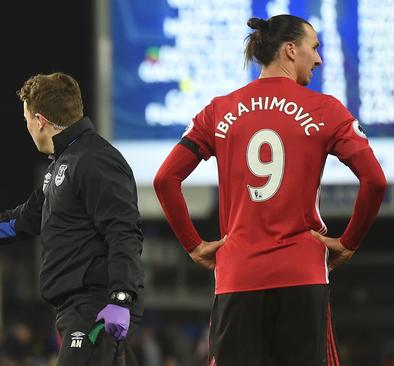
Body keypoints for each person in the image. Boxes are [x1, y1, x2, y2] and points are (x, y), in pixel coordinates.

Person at [153, 15, 387, 366]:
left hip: (237, 277)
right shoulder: (326, 110)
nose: (319, 58)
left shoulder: (218, 111)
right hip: (303, 273)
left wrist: (194, 244)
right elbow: (375, 180)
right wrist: (348, 243)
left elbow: (164, 180)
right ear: (290, 51)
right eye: (315, 47)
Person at [0, 72, 144, 365]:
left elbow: (123, 231)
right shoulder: (64, 163)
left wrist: (121, 298)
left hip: (96, 306)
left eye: (26, 120)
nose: (27, 127)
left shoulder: (95, 159)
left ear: (39, 120)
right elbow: (26, 218)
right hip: (77, 308)